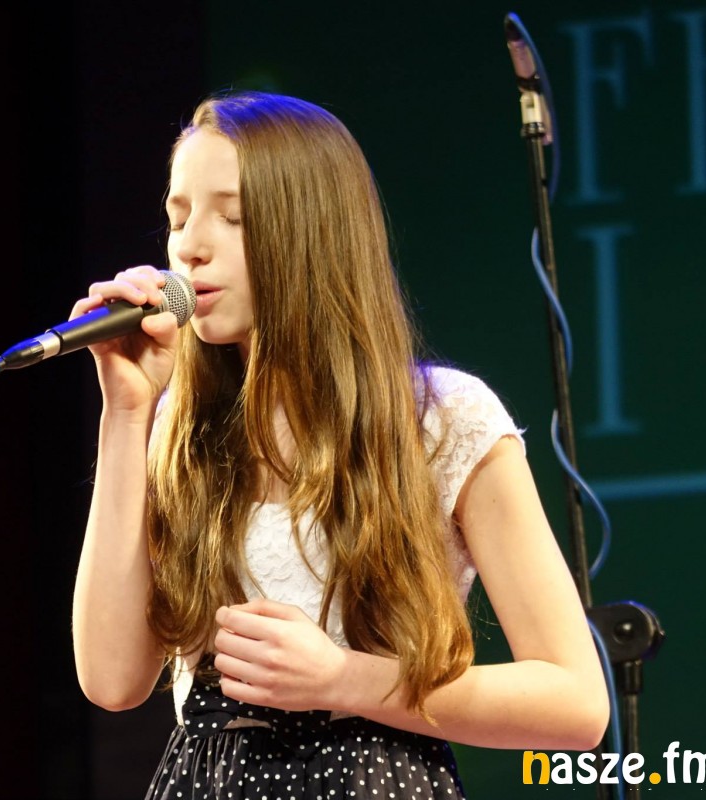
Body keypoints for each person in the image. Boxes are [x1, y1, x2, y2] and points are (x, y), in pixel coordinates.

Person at [68, 89, 608, 800]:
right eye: (179, 216)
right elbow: (111, 680)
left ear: (311, 232)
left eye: (232, 216)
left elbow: (575, 702)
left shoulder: (441, 419)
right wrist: (126, 412)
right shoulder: (180, 427)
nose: (190, 245)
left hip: (371, 777)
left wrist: (344, 679)